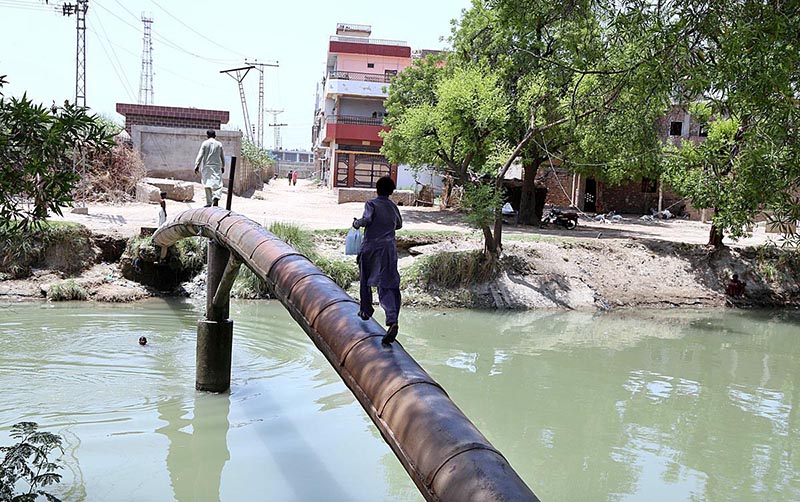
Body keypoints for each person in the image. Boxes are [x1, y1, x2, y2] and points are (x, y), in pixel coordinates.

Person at [353, 176, 403, 345]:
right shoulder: (393, 206)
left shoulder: (371, 204)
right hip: (389, 249)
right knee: (388, 284)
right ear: (391, 192)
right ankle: (392, 320)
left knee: (365, 279)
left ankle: (366, 311)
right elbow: (399, 225)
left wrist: (356, 223)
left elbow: (367, 220)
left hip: (371, 247)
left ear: (377, 189)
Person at [194, 130, 225, 207]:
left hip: (207, 167)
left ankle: (209, 202)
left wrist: (196, 166)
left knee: (207, 184)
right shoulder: (219, 144)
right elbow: (222, 156)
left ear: (207, 136)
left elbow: (200, 155)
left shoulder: (205, 143)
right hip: (217, 167)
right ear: (215, 136)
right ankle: (216, 197)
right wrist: (223, 166)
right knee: (218, 184)